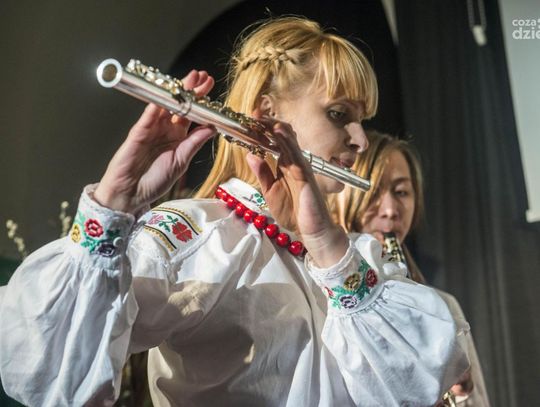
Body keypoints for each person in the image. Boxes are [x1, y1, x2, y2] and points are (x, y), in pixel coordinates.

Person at [0, 17, 469, 406]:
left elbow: (417, 385)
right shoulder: (195, 233)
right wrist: (112, 205)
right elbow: (49, 370)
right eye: (338, 114)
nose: (361, 140)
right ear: (266, 112)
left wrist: (325, 244)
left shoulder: (357, 257)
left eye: (362, 121)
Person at [332, 130, 490, 406]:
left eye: (401, 192)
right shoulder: (322, 305)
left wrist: (458, 394)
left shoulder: (444, 307)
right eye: (372, 189)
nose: (390, 210)